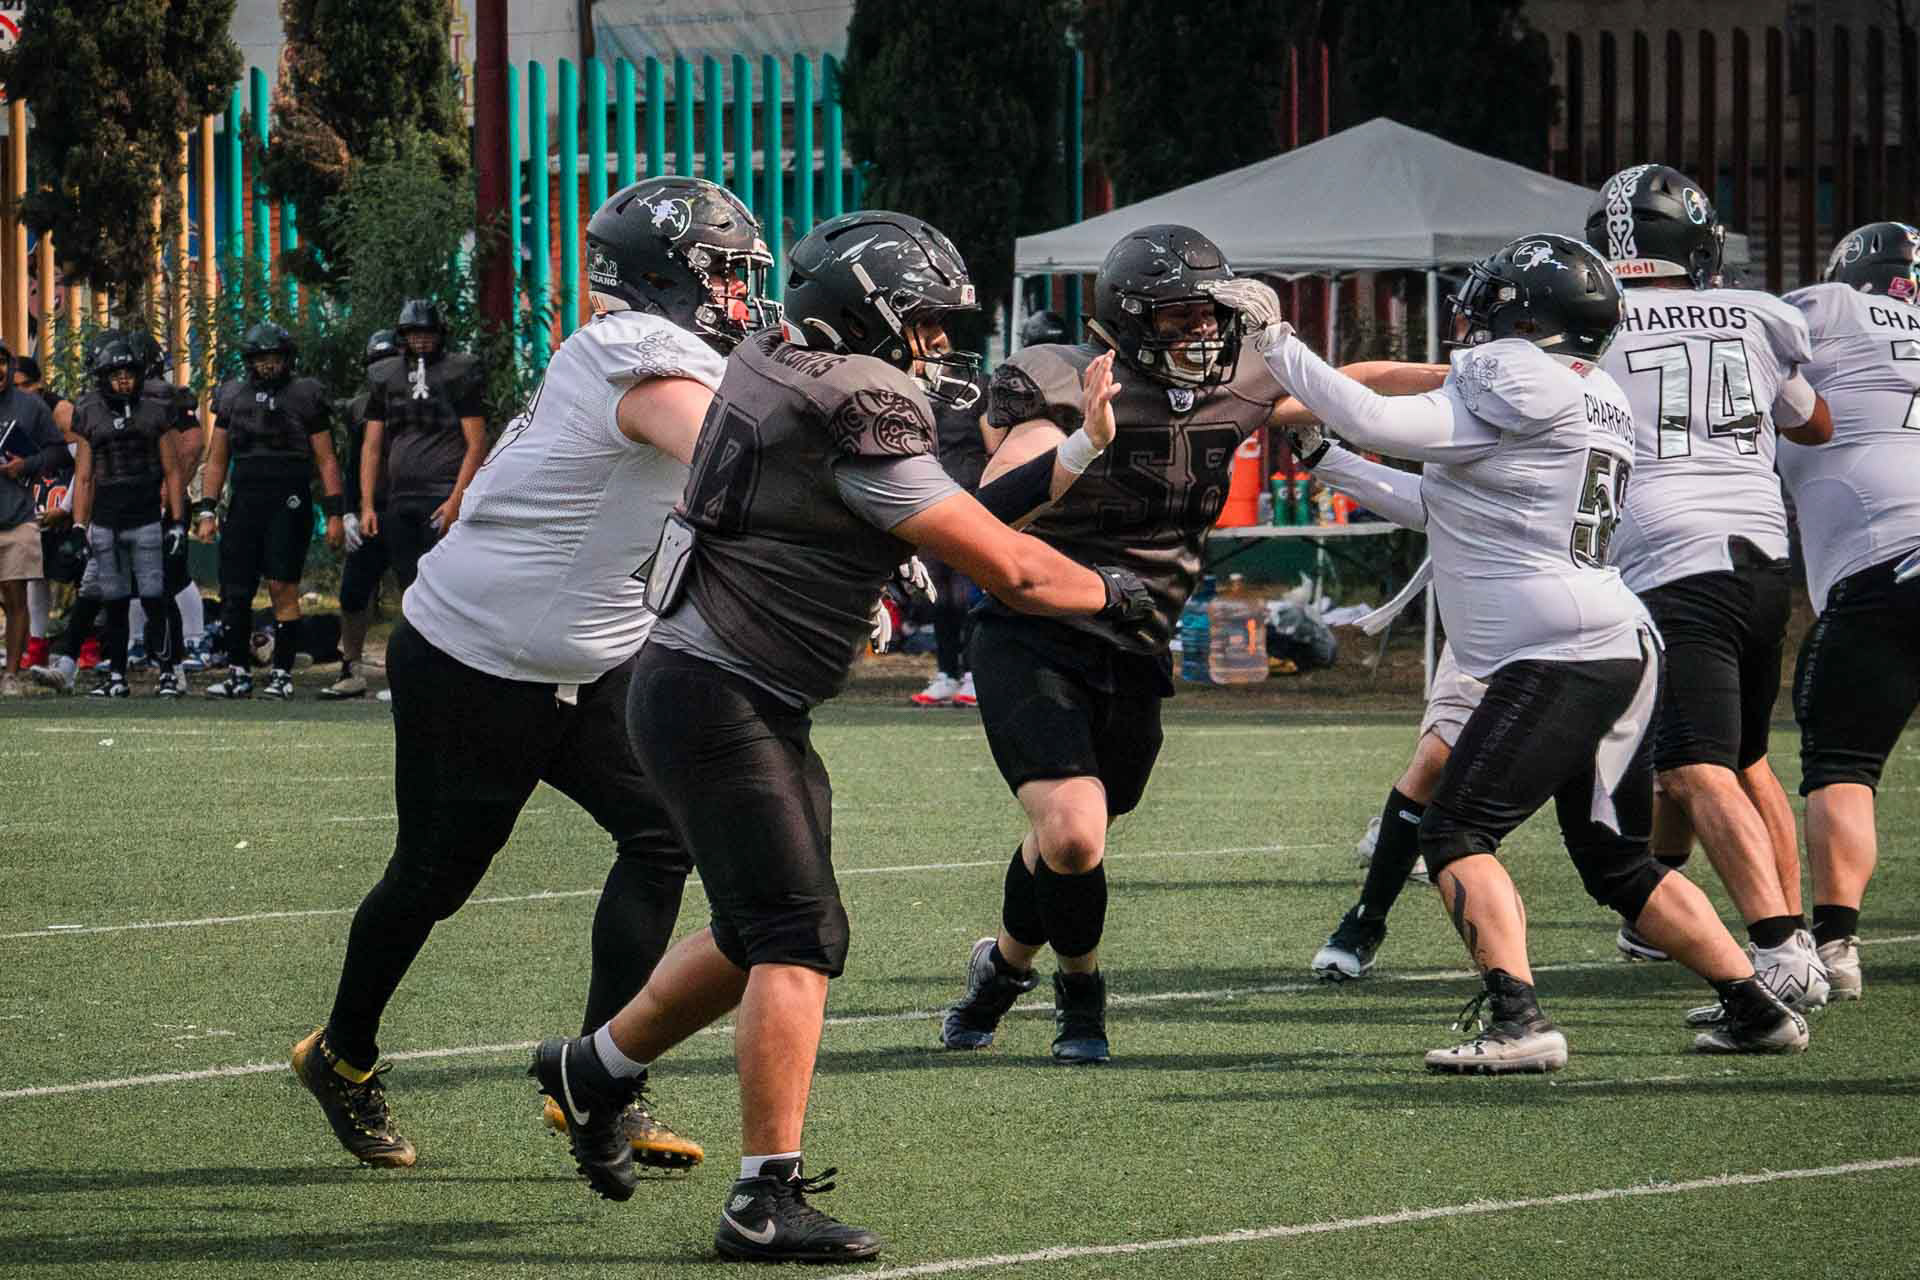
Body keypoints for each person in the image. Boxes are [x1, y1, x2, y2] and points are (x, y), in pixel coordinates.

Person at [525, 209, 1154, 1263]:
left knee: (757, 931)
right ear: (866, 316)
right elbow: (1009, 567)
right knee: (796, 934)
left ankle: (591, 1069)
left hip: (722, 686)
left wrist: (1065, 463)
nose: (938, 347)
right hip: (717, 692)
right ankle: (761, 1196)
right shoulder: (854, 401)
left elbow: (940, 509)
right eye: (924, 323)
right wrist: (1111, 592)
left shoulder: (774, 359)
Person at [290, 177, 776, 1174]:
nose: (740, 295)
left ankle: (597, 1080)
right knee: (435, 876)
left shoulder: (685, 357)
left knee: (663, 837)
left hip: (590, 654)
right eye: (724, 274)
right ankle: (341, 1053)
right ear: (665, 278)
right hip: (478, 654)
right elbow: (728, 459)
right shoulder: (632, 351)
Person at [1235, 233, 1810, 1071]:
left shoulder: (1520, 377)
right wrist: (1330, 462)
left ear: (1532, 318)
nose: (1479, 321)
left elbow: (1376, 415)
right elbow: (1438, 502)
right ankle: (1755, 1007)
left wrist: (1277, 341)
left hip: (1559, 650)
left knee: (1456, 831)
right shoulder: (1590, 392)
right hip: (1617, 642)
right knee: (1616, 863)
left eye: (1497, 304)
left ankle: (1519, 1021)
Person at [935, 226, 1436, 1064]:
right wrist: (1084, 443)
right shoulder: (1070, 379)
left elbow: (1357, 385)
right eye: (1179, 317)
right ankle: (1082, 997)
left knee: (1073, 834)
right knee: (1074, 832)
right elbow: (985, 516)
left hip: (1137, 638)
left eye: (1210, 315)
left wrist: (1473, 377)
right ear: (1130, 319)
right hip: (1034, 630)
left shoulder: (1241, 378)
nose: (1202, 332)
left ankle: (1003, 967)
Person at [1583, 166, 1832, 1013]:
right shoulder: (1756, 315)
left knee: (1694, 767)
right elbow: (1814, 422)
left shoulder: (1597, 322)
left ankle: (1780, 949)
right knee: (1742, 758)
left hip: (1671, 557)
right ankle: (1739, 928)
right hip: (1763, 557)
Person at [1777, 220, 1920, 1005]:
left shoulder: (1830, 307)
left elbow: (1733, 344)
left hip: (1887, 562)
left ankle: (1836, 944)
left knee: (1842, 762)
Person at [196, 323, 344, 699]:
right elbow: (217, 458)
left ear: (287, 359)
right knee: (235, 591)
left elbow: (326, 459)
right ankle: (238, 672)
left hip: (288, 500)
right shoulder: (233, 395)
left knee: (282, 587)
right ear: (250, 361)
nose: (268, 365)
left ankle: (281, 673)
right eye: (261, 358)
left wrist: (336, 512)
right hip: (245, 500)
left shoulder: (305, 395)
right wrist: (207, 510)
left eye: (274, 358)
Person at [62, 338, 187, 698]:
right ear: (103, 377)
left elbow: (172, 471)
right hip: (106, 518)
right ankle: (116, 675)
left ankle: (167, 672)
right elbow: (84, 476)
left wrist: (177, 521)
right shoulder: (88, 410)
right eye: (115, 374)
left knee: (154, 598)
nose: (122, 380)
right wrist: (79, 526)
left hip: (145, 515)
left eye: (128, 373)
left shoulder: (155, 410)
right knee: (113, 601)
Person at [359, 300, 487, 591]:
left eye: (427, 333)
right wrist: (367, 505)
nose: (421, 339)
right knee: (409, 585)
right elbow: (371, 446)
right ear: (403, 335)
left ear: (440, 334)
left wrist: (456, 500)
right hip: (400, 496)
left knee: (446, 585)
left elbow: (477, 444)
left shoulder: (458, 372)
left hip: (442, 492)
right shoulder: (386, 375)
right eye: (413, 333)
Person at [322, 329, 401, 700]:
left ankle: (410, 674)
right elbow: (354, 463)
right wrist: (349, 511)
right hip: (372, 509)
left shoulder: (424, 400)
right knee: (353, 592)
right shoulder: (361, 407)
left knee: (417, 594)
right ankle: (351, 666)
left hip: (410, 507)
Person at [910, 368, 990, 708]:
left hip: (968, 497)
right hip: (928, 499)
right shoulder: (909, 387)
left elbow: (993, 444)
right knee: (938, 591)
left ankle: (973, 673)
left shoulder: (976, 385)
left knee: (967, 589)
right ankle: (947, 672)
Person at [0, 338, 65, 696]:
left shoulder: (30, 406)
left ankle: (11, 675)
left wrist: (26, 465)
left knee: (16, 598)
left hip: (17, 516)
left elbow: (58, 452)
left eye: (2, 361)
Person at [11, 354, 75, 676]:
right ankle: (35, 645)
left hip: (68, 499)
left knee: (79, 573)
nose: (21, 392)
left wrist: (68, 507)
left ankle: (88, 645)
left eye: (26, 385)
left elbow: (84, 462)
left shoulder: (60, 411)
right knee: (34, 574)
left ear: (40, 384)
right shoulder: (12, 409)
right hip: (33, 500)